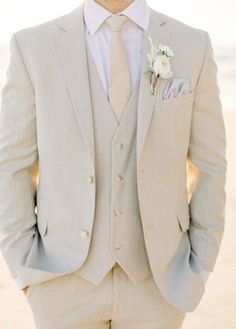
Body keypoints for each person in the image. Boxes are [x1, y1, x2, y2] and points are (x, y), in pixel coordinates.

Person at [0, 0, 227, 328]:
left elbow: (210, 167)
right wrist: (24, 267)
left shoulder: (192, 46)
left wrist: (200, 267)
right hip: (61, 284)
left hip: (160, 285)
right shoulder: (32, 47)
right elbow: (12, 166)